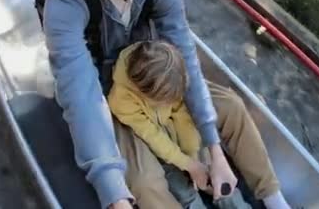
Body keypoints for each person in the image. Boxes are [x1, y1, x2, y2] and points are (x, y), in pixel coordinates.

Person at [42, 0, 290, 209]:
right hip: (112, 98)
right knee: (145, 182)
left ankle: (274, 200)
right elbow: (82, 96)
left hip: (155, 78)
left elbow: (186, 59)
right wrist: (114, 193)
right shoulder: (66, 2)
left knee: (230, 106)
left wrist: (215, 149)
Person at [107, 40, 251, 209]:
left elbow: (181, 114)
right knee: (182, 191)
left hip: (176, 136)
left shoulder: (168, 77)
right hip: (153, 147)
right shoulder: (120, 100)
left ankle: (231, 200)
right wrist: (188, 165)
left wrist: (193, 155)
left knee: (216, 179)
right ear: (144, 93)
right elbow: (152, 136)